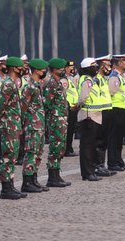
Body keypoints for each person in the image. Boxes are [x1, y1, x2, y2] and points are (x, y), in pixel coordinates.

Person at [0, 56, 27, 199]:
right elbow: (2, 105)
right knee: (8, 156)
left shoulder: (12, 83)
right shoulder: (8, 84)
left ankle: (10, 185)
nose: (23, 69)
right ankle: (6, 188)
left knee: (12, 156)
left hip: (14, 123)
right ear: (14, 68)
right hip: (8, 124)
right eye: (21, 67)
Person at [20, 58, 49, 192]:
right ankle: (27, 182)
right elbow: (23, 106)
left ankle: (34, 179)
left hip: (39, 124)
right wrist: (25, 124)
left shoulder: (37, 85)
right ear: (37, 71)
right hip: (32, 125)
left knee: (38, 152)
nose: (44, 72)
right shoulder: (29, 86)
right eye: (43, 69)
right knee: (31, 152)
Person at [44, 57, 71, 187]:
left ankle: (56, 175)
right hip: (55, 120)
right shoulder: (51, 83)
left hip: (61, 119)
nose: (62, 70)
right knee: (55, 147)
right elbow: (47, 103)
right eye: (60, 68)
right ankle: (52, 178)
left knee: (60, 147)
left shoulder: (57, 82)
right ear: (54, 69)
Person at [77, 58, 103, 181]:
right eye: (94, 66)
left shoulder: (91, 80)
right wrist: (79, 105)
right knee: (87, 146)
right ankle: (87, 173)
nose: (96, 68)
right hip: (88, 115)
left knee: (91, 145)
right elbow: (83, 97)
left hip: (94, 115)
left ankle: (90, 170)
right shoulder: (87, 80)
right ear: (88, 68)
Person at [107, 53, 125, 171]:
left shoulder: (120, 76)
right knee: (114, 138)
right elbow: (111, 92)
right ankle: (113, 162)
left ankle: (118, 160)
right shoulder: (114, 76)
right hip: (115, 110)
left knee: (119, 138)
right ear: (119, 63)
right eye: (124, 61)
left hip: (122, 109)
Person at [93, 54, 115, 177]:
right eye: (107, 65)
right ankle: (97, 166)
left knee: (105, 140)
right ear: (101, 66)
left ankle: (101, 164)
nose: (109, 67)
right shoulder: (96, 79)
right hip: (100, 111)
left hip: (107, 110)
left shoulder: (103, 79)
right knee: (99, 140)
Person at [64, 60, 79, 157]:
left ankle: (69, 148)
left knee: (71, 130)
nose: (72, 69)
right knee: (68, 130)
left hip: (73, 107)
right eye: (70, 68)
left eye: (73, 67)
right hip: (68, 108)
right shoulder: (64, 80)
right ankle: (67, 149)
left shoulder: (70, 79)